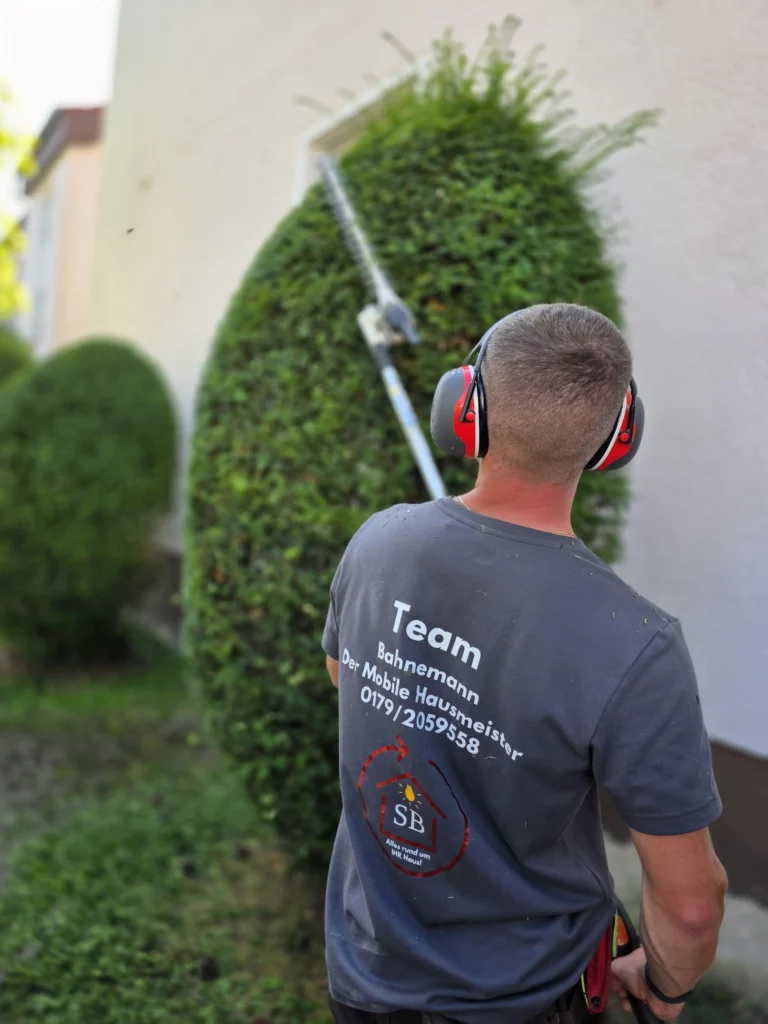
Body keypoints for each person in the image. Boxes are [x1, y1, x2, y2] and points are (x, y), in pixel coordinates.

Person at [322, 304, 727, 1024]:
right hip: (526, 999)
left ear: (467, 409)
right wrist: (665, 988)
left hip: (363, 974)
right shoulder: (636, 643)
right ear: (618, 436)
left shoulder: (377, 542)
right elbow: (690, 905)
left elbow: (345, 679)